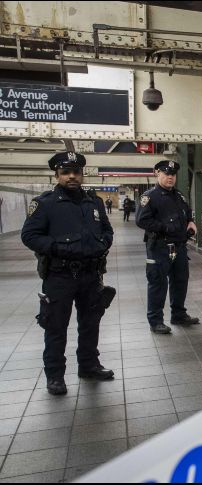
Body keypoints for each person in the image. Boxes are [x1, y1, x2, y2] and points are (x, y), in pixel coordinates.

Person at [20, 152, 115, 395]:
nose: (72, 176)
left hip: (91, 275)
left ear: (82, 174)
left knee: (90, 323)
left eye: (76, 172)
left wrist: (103, 243)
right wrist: (57, 248)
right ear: (57, 175)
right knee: (55, 327)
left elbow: (107, 229)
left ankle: (89, 365)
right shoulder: (46, 204)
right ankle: (55, 376)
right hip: (60, 276)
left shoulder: (93, 202)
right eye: (65, 172)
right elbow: (30, 236)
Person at [136, 160, 200, 334]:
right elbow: (142, 220)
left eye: (172, 174)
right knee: (158, 283)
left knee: (180, 281)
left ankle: (178, 314)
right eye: (166, 174)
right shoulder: (149, 196)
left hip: (178, 246)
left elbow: (187, 213)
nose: (170, 177)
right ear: (158, 174)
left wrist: (191, 222)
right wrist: (165, 227)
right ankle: (156, 321)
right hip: (159, 246)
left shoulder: (179, 196)